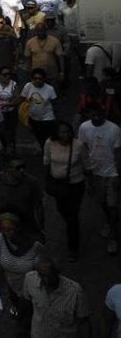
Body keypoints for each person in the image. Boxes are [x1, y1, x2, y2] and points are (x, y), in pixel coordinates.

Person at [0, 212, 43, 335]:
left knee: (25, 320)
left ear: (18, 228)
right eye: (3, 229)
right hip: (12, 286)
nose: (7, 233)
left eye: (10, 230)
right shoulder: (1, 238)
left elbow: (41, 269)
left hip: (29, 290)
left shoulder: (34, 245)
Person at [78, 101, 121, 255]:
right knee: (103, 203)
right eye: (92, 113)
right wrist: (88, 176)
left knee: (113, 205)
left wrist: (118, 173)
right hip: (95, 173)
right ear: (88, 114)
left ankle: (113, 238)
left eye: (99, 112)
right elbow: (84, 150)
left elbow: (117, 153)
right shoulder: (84, 128)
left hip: (112, 173)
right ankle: (110, 222)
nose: (96, 116)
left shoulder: (114, 129)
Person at [43, 121, 86, 261]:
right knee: (62, 210)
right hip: (58, 186)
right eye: (62, 132)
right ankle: (71, 227)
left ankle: (73, 248)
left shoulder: (78, 145)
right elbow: (47, 160)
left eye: (67, 132)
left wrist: (91, 183)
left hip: (75, 184)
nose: (65, 135)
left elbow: (87, 163)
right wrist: (47, 180)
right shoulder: (50, 143)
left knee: (73, 216)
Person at [21, 254, 90, 338]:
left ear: (57, 272)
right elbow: (26, 305)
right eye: (42, 276)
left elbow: (84, 322)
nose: (46, 280)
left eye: (50, 276)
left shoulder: (75, 292)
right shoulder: (30, 279)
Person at [0, 155, 44, 238]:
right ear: (7, 168)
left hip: (27, 225)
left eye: (23, 167)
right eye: (18, 168)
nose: (22, 170)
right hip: (6, 225)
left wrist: (41, 229)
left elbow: (38, 207)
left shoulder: (32, 182)